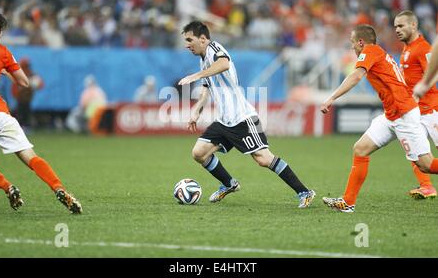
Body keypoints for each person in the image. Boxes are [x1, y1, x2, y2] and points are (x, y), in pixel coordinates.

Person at [178, 21, 315, 207]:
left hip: (243, 118)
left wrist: (196, 75)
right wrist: (196, 111)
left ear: (202, 39)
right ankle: (229, 184)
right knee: (199, 153)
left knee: (264, 159)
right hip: (224, 121)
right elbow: (206, 89)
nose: (187, 44)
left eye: (189, 39)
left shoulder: (214, 48)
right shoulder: (203, 59)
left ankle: (304, 192)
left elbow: (224, 63)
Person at [321, 24, 438, 213]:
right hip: (391, 115)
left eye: (352, 42)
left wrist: (331, 98)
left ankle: (348, 201)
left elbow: (356, 77)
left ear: (361, 42)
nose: (352, 46)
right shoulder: (378, 52)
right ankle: (348, 202)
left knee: (425, 165)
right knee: (360, 149)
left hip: (404, 114)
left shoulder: (370, 50)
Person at [0, 10, 82, 214]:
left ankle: (8, 186)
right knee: (30, 156)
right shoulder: (2, 51)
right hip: (0, 113)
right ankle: (59, 188)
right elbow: (24, 82)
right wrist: (5, 72)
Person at [394, 10, 437, 199]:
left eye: (401, 25)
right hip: (414, 112)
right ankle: (426, 186)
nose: (397, 29)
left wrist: (422, 88)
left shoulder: (423, 48)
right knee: (414, 150)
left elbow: (435, 72)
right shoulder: (407, 48)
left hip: (431, 110)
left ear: (414, 25)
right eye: (395, 26)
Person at [11, 57, 44, 130]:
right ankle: (20, 127)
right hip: (20, 99)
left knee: (26, 113)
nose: (26, 68)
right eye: (25, 66)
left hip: (27, 99)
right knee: (20, 113)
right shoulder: (18, 75)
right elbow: (14, 89)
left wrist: (33, 84)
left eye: (27, 66)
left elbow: (41, 85)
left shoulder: (32, 75)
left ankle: (26, 127)